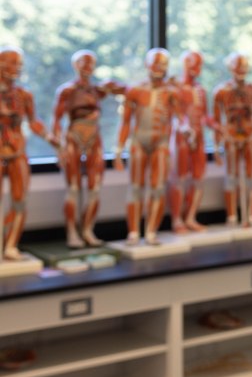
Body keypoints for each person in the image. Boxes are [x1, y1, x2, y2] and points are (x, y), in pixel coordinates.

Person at [50, 50, 125, 248]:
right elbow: (56, 120)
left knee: (95, 188)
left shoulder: (97, 90)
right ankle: (72, 232)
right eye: (84, 63)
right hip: (74, 138)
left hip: (94, 138)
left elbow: (126, 91)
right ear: (76, 65)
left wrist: (113, 85)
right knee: (73, 188)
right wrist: (59, 147)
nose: (88, 67)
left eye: (92, 63)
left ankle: (87, 230)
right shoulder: (67, 91)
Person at [115, 47, 179, 245]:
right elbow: (126, 121)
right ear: (147, 65)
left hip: (160, 141)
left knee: (158, 187)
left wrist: (185, 130)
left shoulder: (171, 92)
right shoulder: (135, 91)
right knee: (135, 187)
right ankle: (134, 232)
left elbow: (178, 118)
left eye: (163, 64)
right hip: (138, 141)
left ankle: (151, 231)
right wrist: (118, 149)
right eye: (155, 63)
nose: (159, 68)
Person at [1, 46, 49, 260]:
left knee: (20, 199)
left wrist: (53, 141)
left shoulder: (23, 94)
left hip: (18, 150)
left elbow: (34, 122)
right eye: (12, 63)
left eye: (19, 64)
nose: (17, 68)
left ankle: (11, 245)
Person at [213, 52, 252, 226]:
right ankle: (232, 216)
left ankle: (251, 215)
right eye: (238, 66)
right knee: (231, 177)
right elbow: (216, 119)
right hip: (231, 136)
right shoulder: (221, 91)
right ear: (230, 68)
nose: (241, 69)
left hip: (250, 136)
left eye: (244, 66)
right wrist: (216, 144)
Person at [169, 50, 218, 233]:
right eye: (192, 64)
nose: (196, 69)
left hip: (198, 137)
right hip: (181, 138)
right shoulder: (176, 88)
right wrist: (184, 127)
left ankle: (190, 217)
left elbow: (204, 116)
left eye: (199, 65)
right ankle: (177, 220)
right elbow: (175, 115)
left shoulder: (200, 90)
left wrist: (216, 126)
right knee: (179, 178)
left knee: (198, 178)